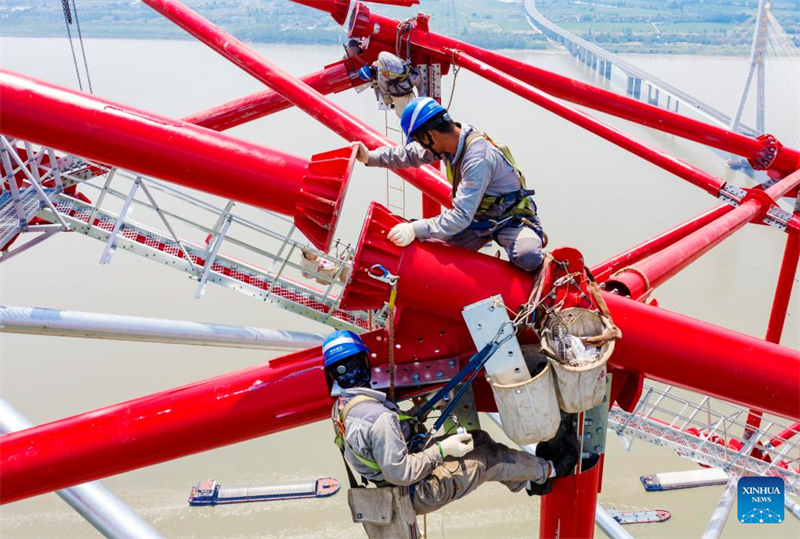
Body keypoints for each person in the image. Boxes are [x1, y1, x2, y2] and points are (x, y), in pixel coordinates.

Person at [324, 330, 578, 538]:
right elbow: (400, 473)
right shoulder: (379, 418)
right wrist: (443, 450)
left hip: (394, 481)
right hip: (416, 491)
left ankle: (529, 480)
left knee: (477, 438)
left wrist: (417, 412)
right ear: (366, 362)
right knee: (490, 457)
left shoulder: (345, 408)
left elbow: (378, 442)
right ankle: (552, 469)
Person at [351, 97, 546, 273]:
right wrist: (370, 157)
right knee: (429, 249)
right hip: (477, 220)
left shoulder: (477, 159)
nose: (421, 146)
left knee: (528, 257)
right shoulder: (449, 144)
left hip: (509, 219)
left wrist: (415, 228)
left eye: (420, 141)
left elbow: (461, 216)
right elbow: (408, 155)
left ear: (429, 135)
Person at [358, 51, 421, 118]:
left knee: (401, 113)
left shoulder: (380, 74)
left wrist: (387, 100)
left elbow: (384, 91)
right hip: (414, 72)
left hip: (409, 81)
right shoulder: (381, 60)